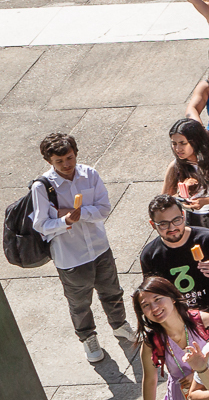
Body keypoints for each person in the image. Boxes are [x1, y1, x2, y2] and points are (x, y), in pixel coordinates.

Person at [33, 132, 136, 363]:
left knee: (112, 292)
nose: (66, 165)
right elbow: (40, 224)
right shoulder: (43, 187)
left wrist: (78, 214)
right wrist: (64, 221)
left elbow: (104, 208)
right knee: (80, 304)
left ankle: (120, 325)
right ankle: (88, 337)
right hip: (70, 257)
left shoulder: (89, 174)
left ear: (75, 153)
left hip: (100, 248)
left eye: (69, 158)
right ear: (49, 161)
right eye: (59, 161)